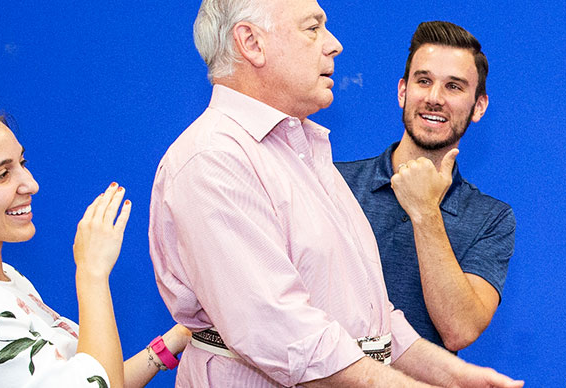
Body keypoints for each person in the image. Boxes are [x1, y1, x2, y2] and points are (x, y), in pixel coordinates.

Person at [148, 1, 522, 386]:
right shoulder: (214, 161)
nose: (334, 44)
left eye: (454, 86)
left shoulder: (306, 154)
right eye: (312, 28)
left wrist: (460, 378)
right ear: (251, 43)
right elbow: (287, 338)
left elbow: (371, 319)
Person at [0, 76, 190, 387]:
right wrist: (92, 273)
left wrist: (174, 340)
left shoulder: (1, 279)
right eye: (1, 175)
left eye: (22, 163)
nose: (30, 184)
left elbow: (91, 377)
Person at [336, 20, 512, 353]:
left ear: (479, 106)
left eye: (454, 87)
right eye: (424, 81)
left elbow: (460, 330)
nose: (434, 98)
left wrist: (425, 210)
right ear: (403, 91)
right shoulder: (334, 182)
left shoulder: (492, 219)